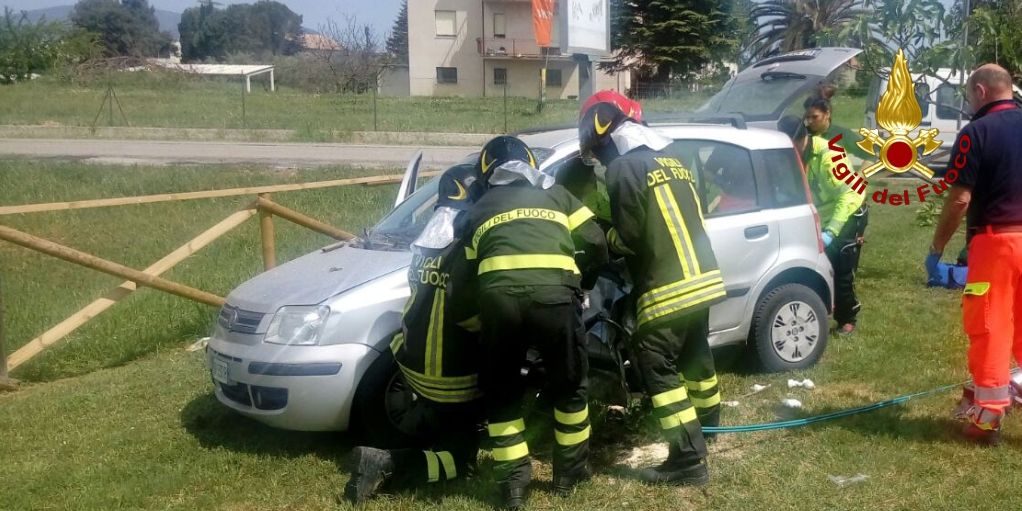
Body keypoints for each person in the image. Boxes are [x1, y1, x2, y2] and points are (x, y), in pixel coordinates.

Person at [578, 92, 725, 486]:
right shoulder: (672, 159)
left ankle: (688, 459)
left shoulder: (624, 169)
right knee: (695, 354)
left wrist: (597, 234)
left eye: (597, 150)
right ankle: (709, 427)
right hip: (704, 277)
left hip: (667, 285)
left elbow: (628, 240)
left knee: (655, 360)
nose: (600, 159)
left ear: (603, 132)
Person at [463, 136, 608, 509]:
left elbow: (464, 276)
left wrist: (473, 319)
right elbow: (595, 241)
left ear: (485, 174)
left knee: (503, 394)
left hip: (500, 305)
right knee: (570, 386)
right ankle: (568, 475)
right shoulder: (558, 196)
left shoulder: (477, 209)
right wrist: (582, 284)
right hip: (556, 301)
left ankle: (514, 484)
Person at [344, 162, 485, 503]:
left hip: (411, 363)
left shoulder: (428, 238)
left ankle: (432, 435)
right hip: (451, 375)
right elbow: (469, 312)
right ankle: (388, 463)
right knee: (462, 462)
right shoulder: (468, 241)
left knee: (446, 430)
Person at [928, 64, 1022, 445]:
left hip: (995, 243)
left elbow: (960, 199)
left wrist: (936, 249)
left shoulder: (976, 133)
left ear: (981, 91)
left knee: (990, 325)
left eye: (968, 96)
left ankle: (986, 418)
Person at [802, 97, 869, 336]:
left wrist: (832, 231)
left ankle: (847, 317)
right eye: (806, 118)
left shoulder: (832, 154)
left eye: (815, 117)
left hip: (849, 208)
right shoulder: (803, 153)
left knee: (841, 262)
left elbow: (849, 194)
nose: (810, 122)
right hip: (826, 208)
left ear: (827, 114)